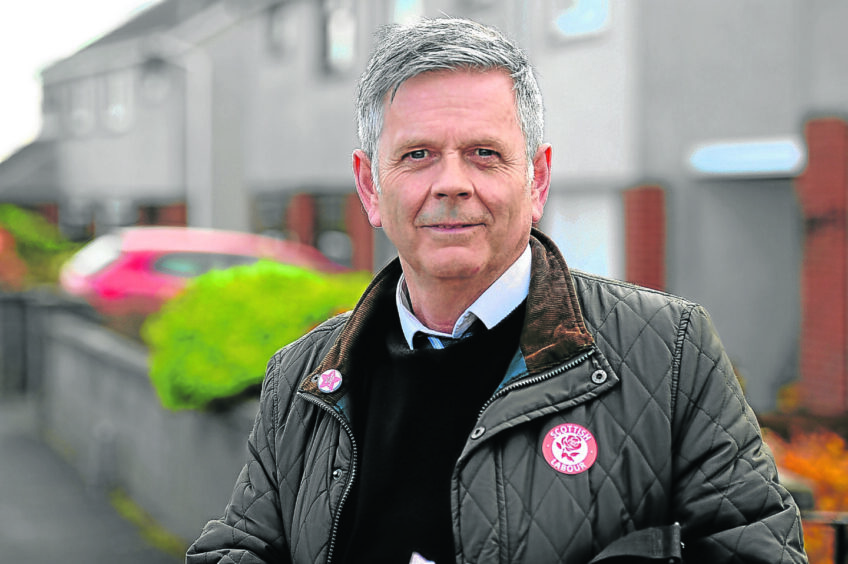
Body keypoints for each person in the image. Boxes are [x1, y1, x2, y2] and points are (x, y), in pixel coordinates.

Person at [187, 17, 807, 564]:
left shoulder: (670, 354)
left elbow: (757, 547)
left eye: (484, 153)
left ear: (536, 180)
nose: (451, 182)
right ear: (370, 187)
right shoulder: (299, 380)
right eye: (418, 155)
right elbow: (241, 545)